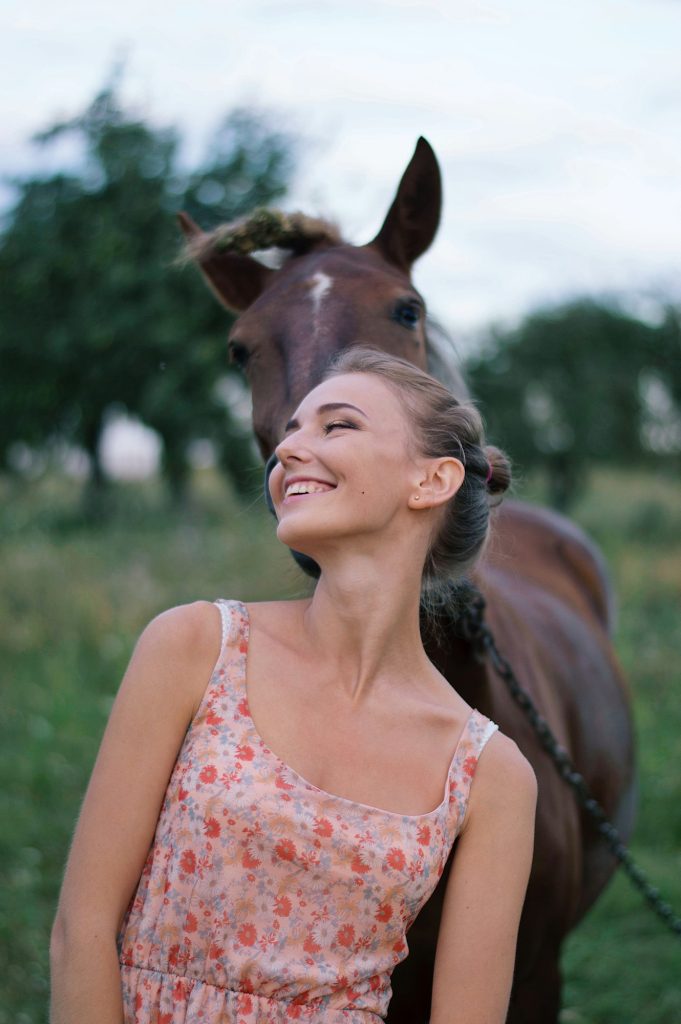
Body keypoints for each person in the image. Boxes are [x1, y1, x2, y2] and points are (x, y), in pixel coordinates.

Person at [50, 346, 537, 1024]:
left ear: (431, 481)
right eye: (289, 434)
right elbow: (82, 930)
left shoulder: (488, 774)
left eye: (336, 426)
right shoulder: (195, 648)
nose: (288, 452)